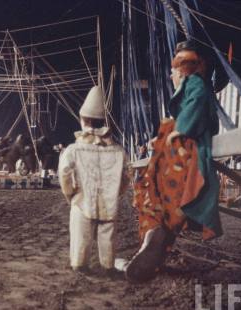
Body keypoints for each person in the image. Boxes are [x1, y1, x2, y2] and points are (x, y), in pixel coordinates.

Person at [125, 40, 222, 282]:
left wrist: (179, 129)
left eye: (175, 68)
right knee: (157, 196)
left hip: (186, 157)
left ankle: (152, 239)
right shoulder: (196, 86)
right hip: (182, 157)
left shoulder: (195, 83)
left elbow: (195, 111)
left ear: (185, 67)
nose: (171, 74)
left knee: (157, 195)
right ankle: (153, 242)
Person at [58, 86, 129, 274]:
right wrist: (116, 194)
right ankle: (107, 265)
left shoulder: (73, 150)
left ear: (83, 120)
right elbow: (125, 177)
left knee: (81, 233)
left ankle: (80, 264)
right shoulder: (119, 151)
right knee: (108, 234)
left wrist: (70, 196)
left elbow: (65, 175)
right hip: (109, 201)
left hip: (82, 200)